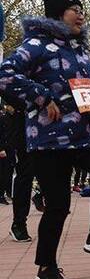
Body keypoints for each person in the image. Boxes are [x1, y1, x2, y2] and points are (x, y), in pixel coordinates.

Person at [0, 0, 90, 279]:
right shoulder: (35, 45)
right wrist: (41, 97)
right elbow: (5, 75)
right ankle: (46, 267)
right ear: (57, 14)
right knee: (58, 205)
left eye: (82, 9)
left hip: (86, 134)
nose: (81, 14)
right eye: (73, 9)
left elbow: (80, 88)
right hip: (49, 139)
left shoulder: (80, 50)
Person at [2, 97, 37, 242]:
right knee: (25, 174)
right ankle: (19, 224)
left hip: (42, 124)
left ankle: (41, 195)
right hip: (20, 126)